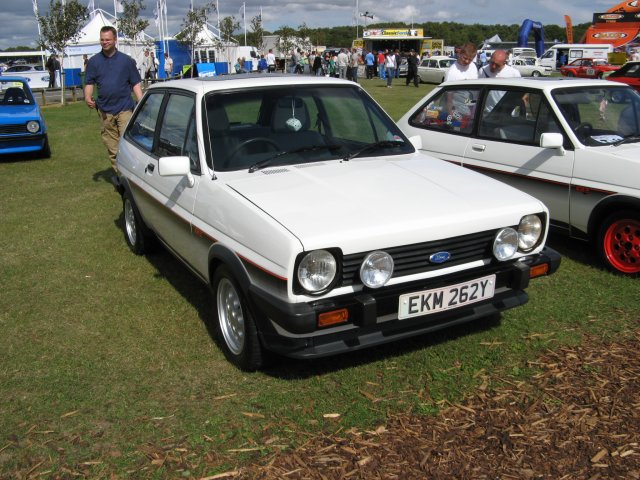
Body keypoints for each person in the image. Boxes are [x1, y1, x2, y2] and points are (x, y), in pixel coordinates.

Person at [84, 26, 143, 173]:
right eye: (102, 40)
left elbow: (135, 82)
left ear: (115, 40)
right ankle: (120, 177)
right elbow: (89, 82)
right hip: (105, 111)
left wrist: (141, 102)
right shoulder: (94, 62)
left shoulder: (126, 61)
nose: (105, 42)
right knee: (112, 147)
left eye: (108, 40)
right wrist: (87, 96)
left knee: (128, 143)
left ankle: (132, 174)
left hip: (125, 108)